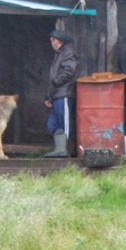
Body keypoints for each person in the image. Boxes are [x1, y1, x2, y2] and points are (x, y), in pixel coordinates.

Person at [44, 28, 78, 158]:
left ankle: (65, 151)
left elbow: (69, 71)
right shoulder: (59, 53)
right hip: (57, 95)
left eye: (52, 40)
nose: (51, 43)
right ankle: (59, 150)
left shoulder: (68, 52)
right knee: (52, 125)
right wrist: (49, 96)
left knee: (65, 124)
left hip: (64, 94)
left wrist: (57, 82)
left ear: (57, 40)